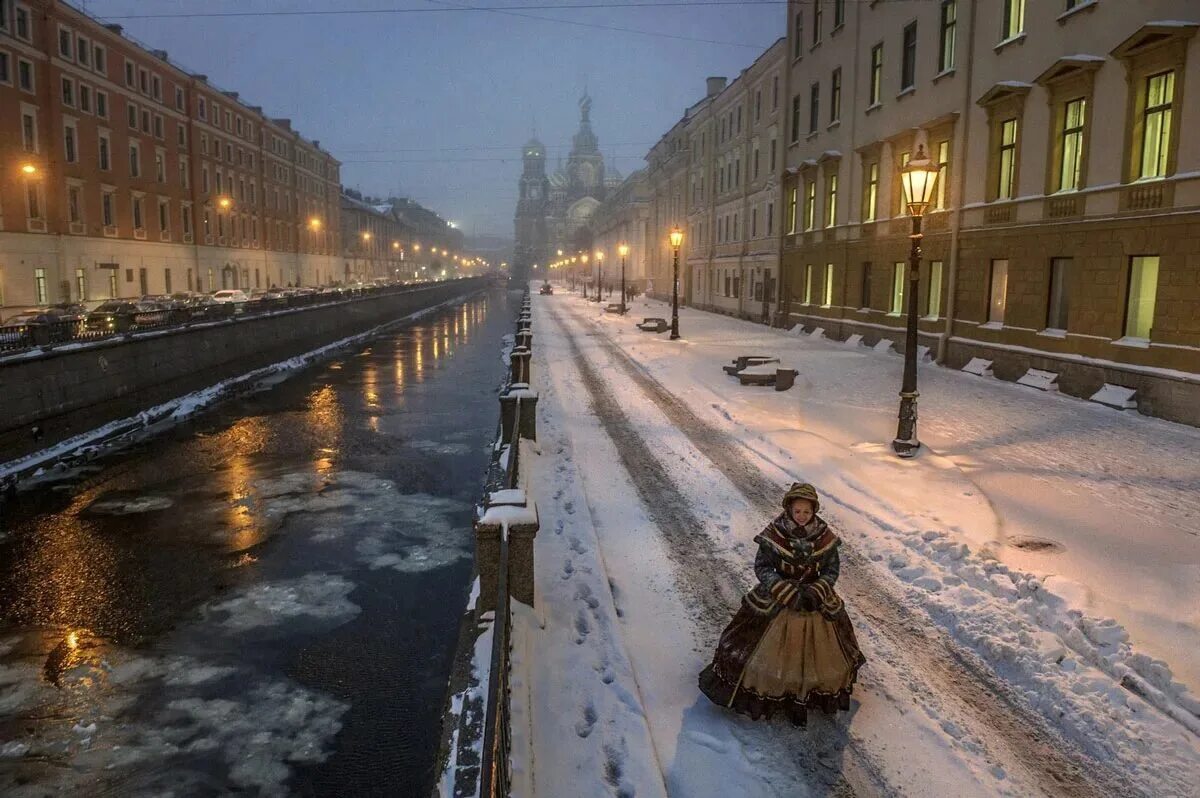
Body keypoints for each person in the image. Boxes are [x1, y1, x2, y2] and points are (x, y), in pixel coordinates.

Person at [698, 482, 865, 726]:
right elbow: (763, 567)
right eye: (797, 511)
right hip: (778, 598)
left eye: (807, 512)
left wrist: (817, 590)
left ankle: (807, 692)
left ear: (814, 512)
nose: (802, 516)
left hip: (814, 598)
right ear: (789, 509)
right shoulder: (774, 534)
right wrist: (783, 590)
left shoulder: (824, 537)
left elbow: (832, 569)